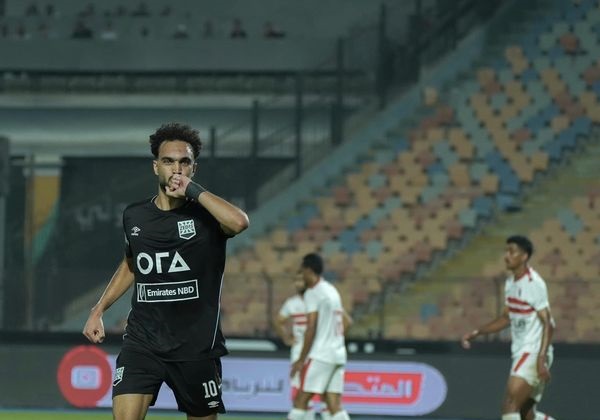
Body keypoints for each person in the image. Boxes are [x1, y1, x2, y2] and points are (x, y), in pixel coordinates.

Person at [83, 122, 249, 420]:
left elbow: (239, 222)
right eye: (169, 161)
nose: (177, 169)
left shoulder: (208, 216)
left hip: (195, 349)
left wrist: (193, 191)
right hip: (142, 342)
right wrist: (99, 309)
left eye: (185, 162)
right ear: (155, 166)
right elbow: (132, 263)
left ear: (194, 168)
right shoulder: (135, 215)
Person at [461, 235, 556, 420]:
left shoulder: (533, 283)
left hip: (533, 351)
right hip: (523, 352)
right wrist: (478, 332)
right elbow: (506, 317)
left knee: (509, 404)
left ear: (524, 256)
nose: (506, 256)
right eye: (506, 251)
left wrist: (541, 359)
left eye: (512, 251)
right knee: (526, 413)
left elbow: (548, 324)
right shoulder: (511, 283)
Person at [288, 253, 351, 420]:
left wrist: (301, 360)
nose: (301, 275)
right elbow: (347, 322)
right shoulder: (331, 290)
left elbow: (311, 328)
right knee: (334, 405)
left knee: (300, 400)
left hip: (321, 355)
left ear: (309, 270)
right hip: (338, 354)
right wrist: (333, 340)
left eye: (302, 271)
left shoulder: (313, 293)